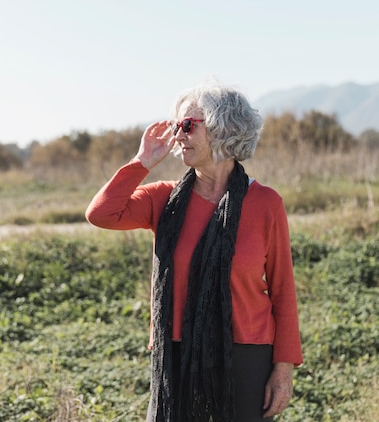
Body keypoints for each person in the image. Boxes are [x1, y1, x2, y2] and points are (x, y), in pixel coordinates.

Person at [85, 82, 303, 421]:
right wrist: (142, 162)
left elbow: (282, 290)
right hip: (176, 351)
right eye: (175, 125)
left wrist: (284, 370)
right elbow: (101, 214)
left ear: (222, 128)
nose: (178, 134)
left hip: (246, 356)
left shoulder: (265, 203)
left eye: (187, 125)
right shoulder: (163, 199)